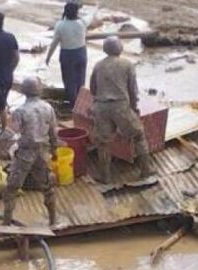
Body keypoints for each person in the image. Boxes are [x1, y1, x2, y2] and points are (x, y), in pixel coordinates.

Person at [89, 36, 152, 183]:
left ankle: (105, 177)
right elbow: (133, 90)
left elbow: (93, 89)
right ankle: (145, 171)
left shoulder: (98, 65)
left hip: (101, 107)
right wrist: (134, 108)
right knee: (138, 136)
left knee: (103, 143)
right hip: (121, 106)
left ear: (105, 49)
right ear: (120, 48)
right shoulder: (127, 64)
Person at [1, 77, 58, 227]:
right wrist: (55, 150)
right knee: (47, 188)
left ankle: (6, 224)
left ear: (23, 91)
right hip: (42, 152)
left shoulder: (20, 111)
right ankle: (53, 221)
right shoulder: (48, 108)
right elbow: (53, 132)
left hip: (25, 153)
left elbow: (9, 133)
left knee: (11, 189)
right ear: (40, 90)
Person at [46, 2, 93, 108]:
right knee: (81, 80)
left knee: (69, 80)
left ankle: (73, 105)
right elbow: (91, 16)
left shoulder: (60, 25)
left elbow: (54, 43)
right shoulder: (82, 23)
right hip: (81, 53)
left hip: (67, 54)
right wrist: (97, 8)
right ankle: (81, 104)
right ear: (77, 12)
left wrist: (48, 57)